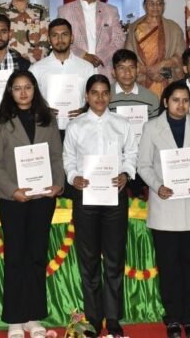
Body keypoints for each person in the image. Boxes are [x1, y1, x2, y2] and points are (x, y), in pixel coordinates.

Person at [0, 70, 64, 338]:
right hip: (13, 199)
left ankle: (33, 317)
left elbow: (56, 156)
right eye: (17, 88)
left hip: (43, 198)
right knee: (16, 257)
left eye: (27, 87)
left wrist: (58, 184)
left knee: (36, 256)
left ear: (34, 89)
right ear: (10, 91)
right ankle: (15, 319)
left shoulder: (47, 119)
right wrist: (12, 190)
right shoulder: (0, 121)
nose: (22, 92)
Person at [137, 80, 190, 338]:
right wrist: (157, 186)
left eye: (185, 100)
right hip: (165, 206)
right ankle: (172, 318)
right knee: (169, 267)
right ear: (165, 102)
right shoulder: (151, 128)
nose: (181, 105)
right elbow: (143, 165)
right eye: (176, 100)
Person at [63, 75, 138, 338]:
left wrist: (126, 174)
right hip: (85, 197)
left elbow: (132, 154)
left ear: (110, 95)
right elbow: (68, 158)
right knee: (90, 260)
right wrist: (74, 177)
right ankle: (94, 319)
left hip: (115, 197)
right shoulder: (75, 126)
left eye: (105, 92)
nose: (100, 98)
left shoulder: (122, 124)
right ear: (86, 96)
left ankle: (113, 319)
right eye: (94, 93)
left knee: (115, 259)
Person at [30, 18, 96, 131]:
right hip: (47, 129)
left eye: (64, 34)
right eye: (55, 35)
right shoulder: (36, 69)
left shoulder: (87, 68)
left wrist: (85, 110)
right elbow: (29, 100)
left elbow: (95, 96)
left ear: (72, 38)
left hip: (81, 129)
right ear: (49, 39)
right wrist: (42, 110)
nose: (60, 39)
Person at [57, 0, 126, 76]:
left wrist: (100, 57)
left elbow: (119, 39)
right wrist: (83, 55)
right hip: (75, 70)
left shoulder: (111, 10)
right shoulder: (65, 11)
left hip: (104, 70)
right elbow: (61, 41)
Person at [123, 0, 185, 98]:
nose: (155, 7)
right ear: (144, 5)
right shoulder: (134, 28)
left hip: (167, 80)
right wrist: (148, 71)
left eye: (159, 3)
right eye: (151, 3)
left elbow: (180, 55)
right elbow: (128, 57)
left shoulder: (174, 28)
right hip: (141, 79)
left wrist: (161, 65)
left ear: (163, 6)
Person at [109, 48, 161, 119]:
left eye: (132, 67)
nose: (127, 72)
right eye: (122, 68)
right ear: (113, 72)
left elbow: (155, 125)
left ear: (138, 71)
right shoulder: (104, 96)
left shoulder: (151, 98)